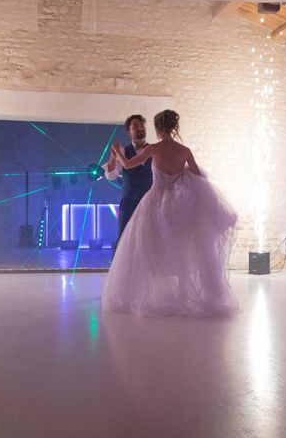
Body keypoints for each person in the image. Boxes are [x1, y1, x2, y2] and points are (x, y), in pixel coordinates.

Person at [101, 110, 239, 318]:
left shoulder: (153, 149)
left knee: (143, 247)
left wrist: (117, 152)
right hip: (177, 205)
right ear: (175, 127)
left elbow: (128, 165)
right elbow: (199, 177)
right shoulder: (184, 150)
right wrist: (181, 176)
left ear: (156, 128)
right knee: (180, 245)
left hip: (154, 202)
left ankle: (144, 294)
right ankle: (184, 294)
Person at [102, 114, 153, 243]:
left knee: (149, 239)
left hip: (151, 203)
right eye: (136, 126)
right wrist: (113, 156)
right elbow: (111, 176)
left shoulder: (154, 150)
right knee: (124, 240)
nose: (140, 128)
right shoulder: (123, 151)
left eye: (142, 126)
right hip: (129, 202)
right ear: (129, 132)